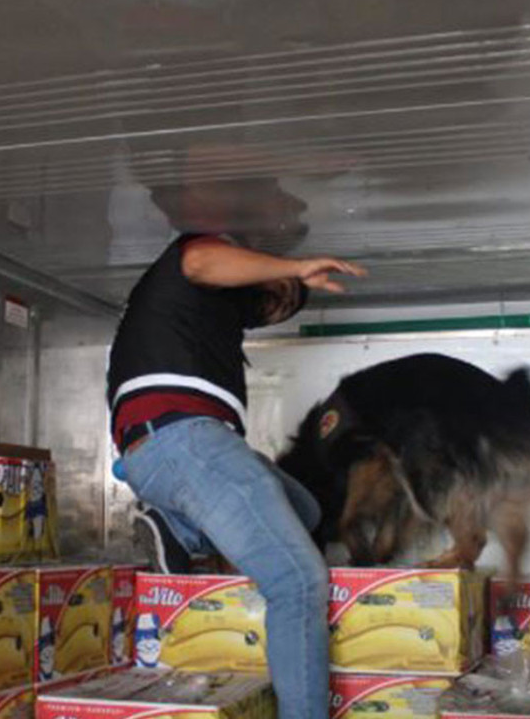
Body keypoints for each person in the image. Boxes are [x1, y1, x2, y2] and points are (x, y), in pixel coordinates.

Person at [107, 226, 365, 718]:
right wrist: (293, 266)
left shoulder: (203, 324)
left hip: (167, 452)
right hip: (182, 440)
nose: (280, 306)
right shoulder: (186, 271)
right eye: (281, 295)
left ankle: (179, 530)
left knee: (306, 510)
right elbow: (204, 260)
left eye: (289, 308)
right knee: (298, 581)